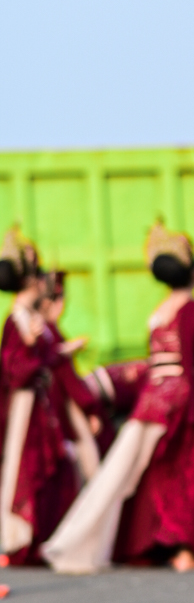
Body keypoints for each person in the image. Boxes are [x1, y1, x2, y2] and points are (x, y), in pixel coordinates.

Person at [43, 225, 194, 573]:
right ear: (193, 271)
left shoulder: (159, 314)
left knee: (154, 474)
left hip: (153, 400)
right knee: (192, 475)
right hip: (189, 403)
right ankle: (188, 549)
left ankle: (159, 543)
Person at [0, 233, 93, 564]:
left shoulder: (28, 318)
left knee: (55, 472)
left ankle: (46, 541)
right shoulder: (17, 320)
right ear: (30, 281)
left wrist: (58, 351)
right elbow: (15, 370)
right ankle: (25, 542)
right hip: (26, 411)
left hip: (40, 407)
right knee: (30, 472)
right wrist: (32, 347)